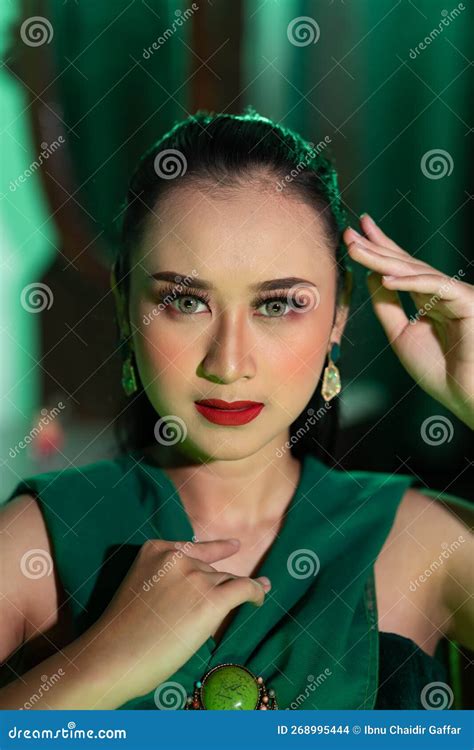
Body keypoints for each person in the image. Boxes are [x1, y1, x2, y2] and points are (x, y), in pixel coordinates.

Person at [0, 110, 472, 711]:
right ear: (126, 310)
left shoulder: (422, 539)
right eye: (185, 300)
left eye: (277, 305)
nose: (228, 363)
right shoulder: (36, 539)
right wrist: (97, 665)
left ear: (339, 313)